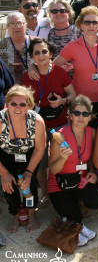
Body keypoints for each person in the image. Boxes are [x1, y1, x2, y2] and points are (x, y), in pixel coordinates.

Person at [23, 38, 75, 208]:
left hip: (60, 124)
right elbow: (22, 101)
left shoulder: (60, 72)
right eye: (36, 53)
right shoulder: (28, 76)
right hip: (38, 126)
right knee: (40, 162)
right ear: (32, 57)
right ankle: (45, 193)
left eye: (44, 51)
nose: (41, 55)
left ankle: (65, 189)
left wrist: (62, 101)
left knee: (63, 157)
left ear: (51, 54)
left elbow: (73, 95)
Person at [47, 95, 98, 247]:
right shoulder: (60, 135)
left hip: (79, 180)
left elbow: (90, 158)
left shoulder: (92, 132)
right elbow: (52, 168)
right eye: (77, 113)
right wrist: (63, 158)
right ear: (70, 115)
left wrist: (92, 172)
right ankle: (73, 223)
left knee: (95, 201)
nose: (80, 117)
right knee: (75, 218)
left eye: (85, 114)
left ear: (90, 117)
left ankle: (76, 205)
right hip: (59, 184)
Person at [55, 6, 98, 128]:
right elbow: (53, 66)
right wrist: (34, 66)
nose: (91, 25)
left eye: (94, 22)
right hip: (80, 101)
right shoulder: (72, 46)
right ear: (81, 25)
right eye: (87, 22)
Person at [0, 86, 46, 233]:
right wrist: (4, 174)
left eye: (22, 104)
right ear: (7, 104)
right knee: (9, 186)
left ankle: (31, 213)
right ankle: (15, 213)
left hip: (29, 153)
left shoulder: (37, 121)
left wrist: (29, 172)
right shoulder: (0, 120)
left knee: (29, 184)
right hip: (6, 154)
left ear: (30, 105)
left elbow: (40, 149)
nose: (18, 108)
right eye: (13, 104)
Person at [46, 0, 79, 69]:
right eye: (54, 11)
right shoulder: (49, 33)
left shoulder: (78, 31)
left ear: (69, 13)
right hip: (58, 76)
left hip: (77, 76)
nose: (58, 13)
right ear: (50, 15)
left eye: (62, 11)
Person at [0, 12, 32, 84]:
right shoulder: (1, 45)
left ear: (26, 25)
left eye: (19, 23)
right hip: (10, 90)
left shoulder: (36, 42)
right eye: (12, 24)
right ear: (7, 27)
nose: (16, 27)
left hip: (34, 88)